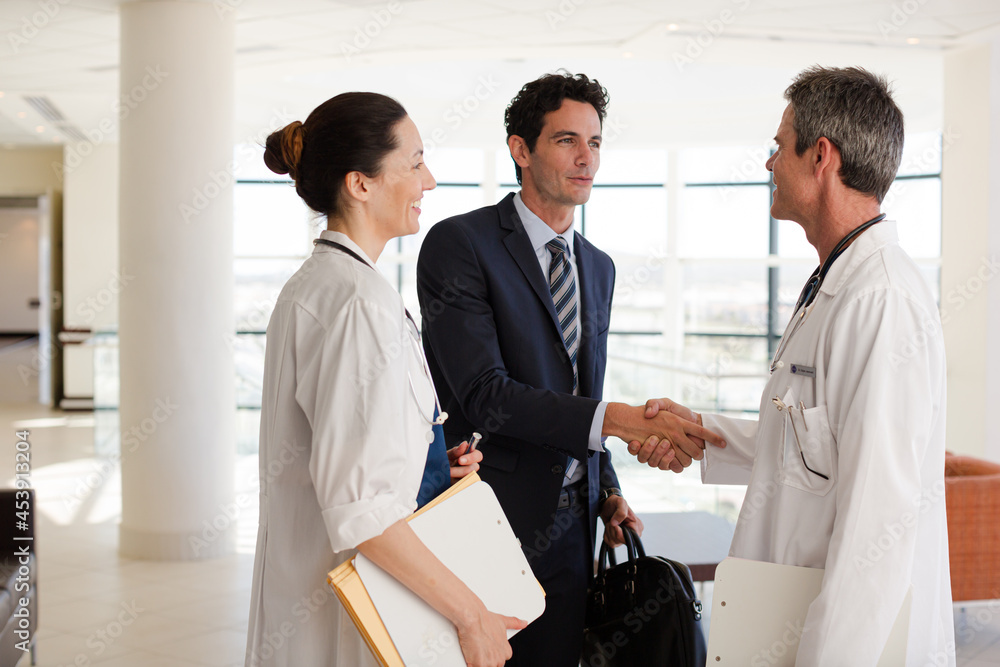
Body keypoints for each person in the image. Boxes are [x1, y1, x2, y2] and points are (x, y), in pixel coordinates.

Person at [632, 66, 955, 665]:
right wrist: (704, 434)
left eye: (778, 147)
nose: (769, 164)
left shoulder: (880, 300)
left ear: (821, 157)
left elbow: (876, 532)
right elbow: (817, 441)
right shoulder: (837, 281)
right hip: (782, 611)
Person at [416, 72, 724, 666]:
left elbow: (582, 392)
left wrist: (607, 489)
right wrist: (618, 420)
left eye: (596, 142)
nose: (587, 158)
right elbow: (485, 396)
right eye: (566, 141)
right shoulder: (461, 244)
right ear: (520, 149)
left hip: (574, 532)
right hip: (488, 520)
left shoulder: (598, 267)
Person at [245, 92, 526, 667]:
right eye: (415, 161)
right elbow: (362, 512)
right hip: (350, 616)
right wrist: (474, 618)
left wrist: (417, 465)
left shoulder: (321, 285)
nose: (430, 181)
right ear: (361, 184)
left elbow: (341, 459)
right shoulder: (357, 303)